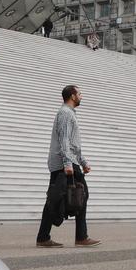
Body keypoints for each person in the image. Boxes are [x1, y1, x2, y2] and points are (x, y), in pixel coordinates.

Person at [36, 85, 100, 247]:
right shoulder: (65, 113)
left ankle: (43, 237)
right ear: (72, 96)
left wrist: (83, 162)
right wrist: (67, 164)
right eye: (79, 93)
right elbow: (64, 140)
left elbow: (73, 144)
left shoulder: (69, 113)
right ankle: (81, 237)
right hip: (65, 162)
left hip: (68, 161)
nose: (81, 96)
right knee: (79, 194)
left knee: (54, 199)